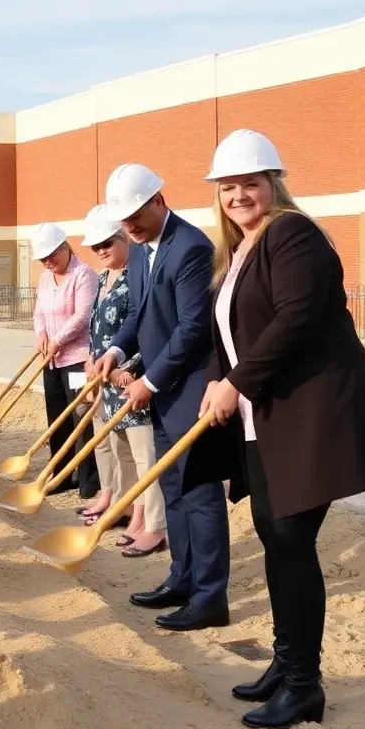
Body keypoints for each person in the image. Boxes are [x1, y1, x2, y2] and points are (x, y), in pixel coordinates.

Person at [197, 130, 365, 729]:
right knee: (274, 537)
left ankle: (304, 686)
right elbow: (227, 333)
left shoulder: (293, 234)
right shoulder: (235, 250)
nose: (238, 196)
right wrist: (218, 380)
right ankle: (285, 665)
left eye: (249, 184)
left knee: (291, 544)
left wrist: (236, 384)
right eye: (228, 187)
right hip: (265, 417)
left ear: (273, 184)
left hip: (310, 413)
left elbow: (293, 321)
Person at [92, 162, 231, 632]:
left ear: (158, 200)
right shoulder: (138, 251)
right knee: (172, 487)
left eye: (135, 214)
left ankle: (210, 597)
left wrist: (147, 382)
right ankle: (182, 577)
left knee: (200, 493)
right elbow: (137, 312)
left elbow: (193, 328)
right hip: (161, 389)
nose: (129, 225)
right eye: (122, 220)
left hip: (189, 386)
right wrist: (116, 349)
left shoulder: (190, 248)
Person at [80, 206, 166, 557]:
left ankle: (152, 522)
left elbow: (144, 331)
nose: (101, 251)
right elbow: (97, 328)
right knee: (121, 452)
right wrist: (91, 357)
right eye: (95, 246)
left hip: (131, 379)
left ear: (124, 239)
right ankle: (130, 508)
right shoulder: (103, 279)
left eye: (107, 243)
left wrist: (122, 369)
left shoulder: (136, 276)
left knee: (145, 455)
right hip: (106, 377)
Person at [29, 223, 97, 498]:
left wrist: (58, 339)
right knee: (57, 418)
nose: (48, 262)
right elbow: (39, 312)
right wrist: (41, 333)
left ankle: (89, 479)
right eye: (43, 258)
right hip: (52, 360)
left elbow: (83, 316)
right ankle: (62, 474)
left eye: (52, 256)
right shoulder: (46, 278)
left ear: (65, 247)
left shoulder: (84, 275)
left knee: (81, 419)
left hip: (78, 359)